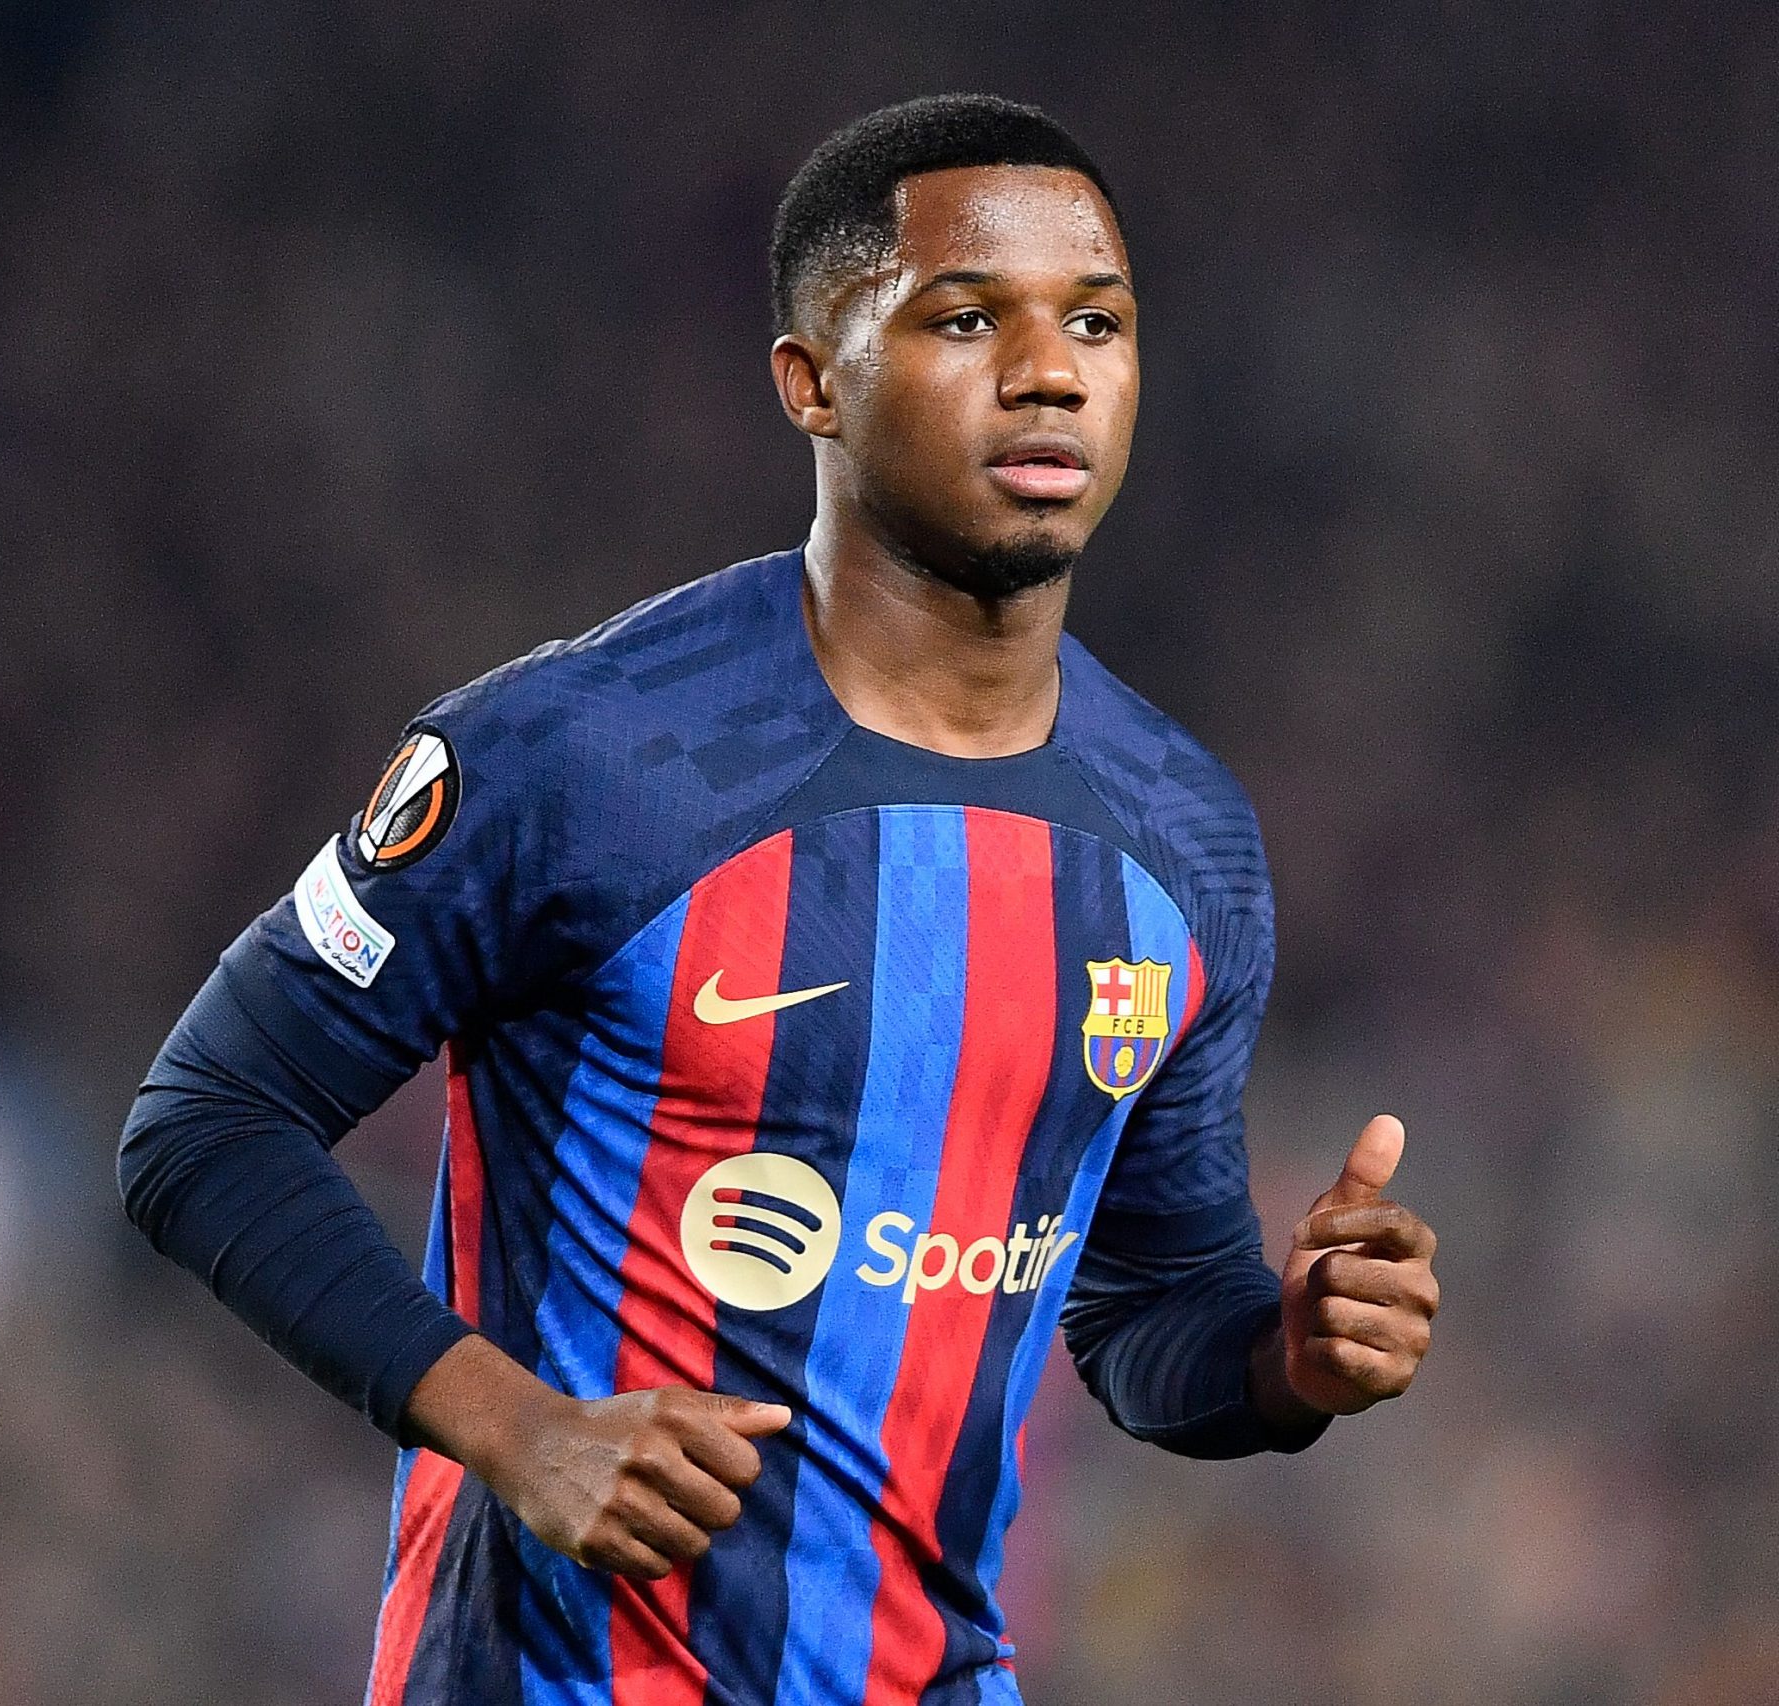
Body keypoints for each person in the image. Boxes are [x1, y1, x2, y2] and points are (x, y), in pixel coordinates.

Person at [119, 93, 1441, 1706]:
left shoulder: (1184, 836)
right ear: (811, 381)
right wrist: (509, 1422)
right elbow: (206, 1119)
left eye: (1097, 321)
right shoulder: (578, 756)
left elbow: (1152, 1309)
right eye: (967, 318)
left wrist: (1285, 1361)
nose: (1050, 370)